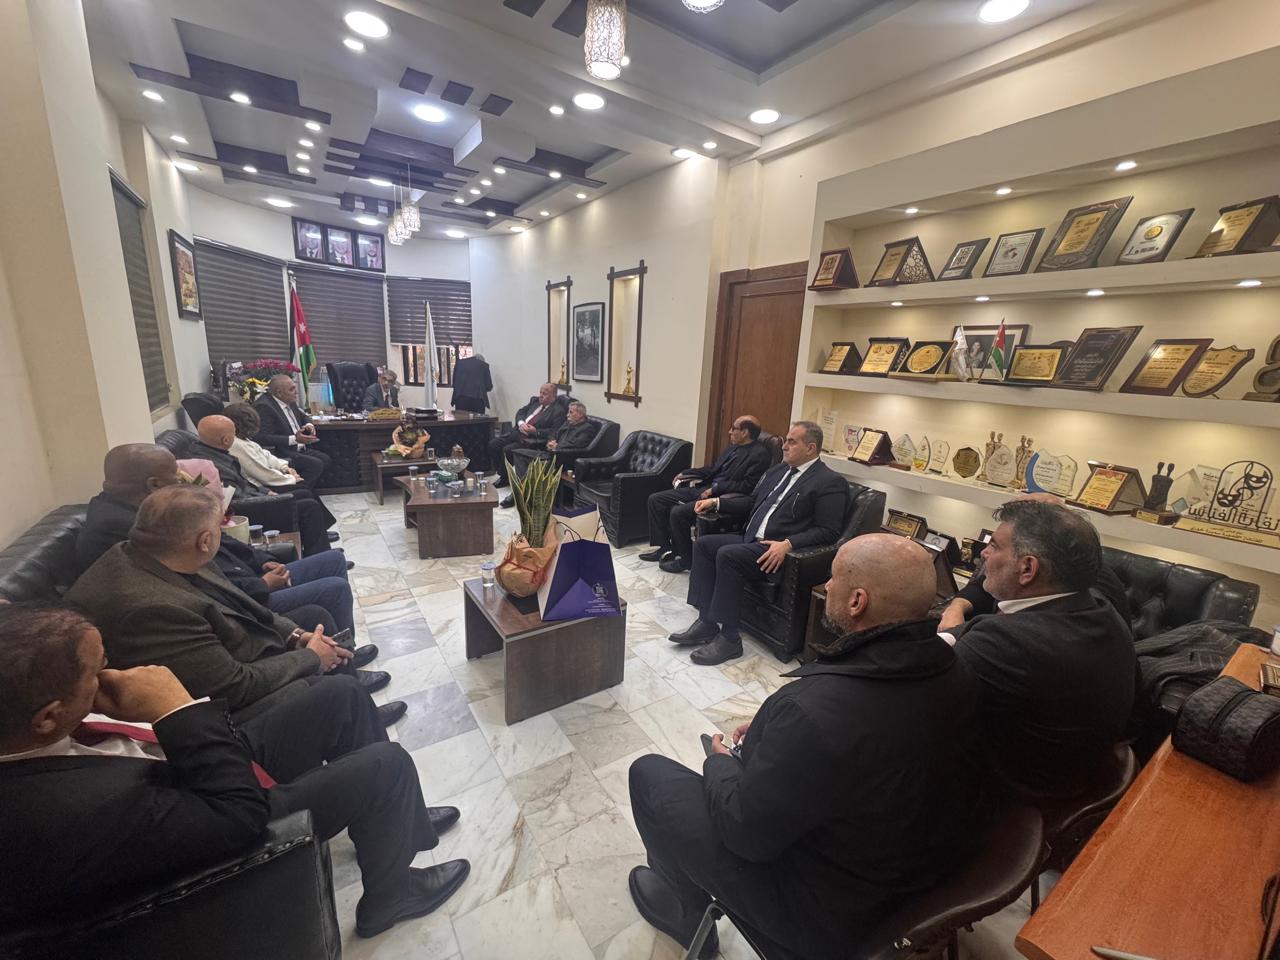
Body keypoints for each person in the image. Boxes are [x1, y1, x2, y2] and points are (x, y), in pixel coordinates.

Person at [0, 604, 469, 937]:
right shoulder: (64, 809)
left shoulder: (41, 734)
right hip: (225, 814)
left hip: (192, 771)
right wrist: (174, 710)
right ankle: (391, 897)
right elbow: (239, 818)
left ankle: (394, 826)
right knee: (387, 765)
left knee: (341, 696)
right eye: (96, 672)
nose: (112, 673)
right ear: (47, 716)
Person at [627, 535, 984, 959]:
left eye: (833, 578)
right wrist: (781, 732)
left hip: (830, 915)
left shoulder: (815, 711)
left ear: (857, 601)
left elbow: (744, 832)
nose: (827, 586)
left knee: (649, 775)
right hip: (915, 878)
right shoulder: (958, 671)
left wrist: (720, 763)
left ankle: (687, 918)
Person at [66, 486, 407, 724]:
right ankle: (353, 715)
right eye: (220, 528)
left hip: (228, 642)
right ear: (205, 540)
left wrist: (296, 635)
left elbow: (242, 604)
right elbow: (232, 686)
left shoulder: (161, 550)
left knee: (313, 617)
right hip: (219, 701)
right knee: (336, 689)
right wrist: (309, 657)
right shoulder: (150, 609)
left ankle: (358, 707)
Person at [76, 444, 369, 665]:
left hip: (244, 580)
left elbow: (221, 544)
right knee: (333, 589)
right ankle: (342, 659)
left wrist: (260, 561)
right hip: (237, 599)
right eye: (175, 475)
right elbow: (198, 583)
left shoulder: (146, 507)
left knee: (332, 560)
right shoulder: (123, 527)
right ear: (153, 484)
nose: (183, 479)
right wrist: (261, 584)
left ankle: (344, 650)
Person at [941, 499, 1136, 801]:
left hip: (1008, 796)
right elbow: (972, 632)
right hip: (1073, 776)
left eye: (994, 546)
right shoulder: (1098, 608)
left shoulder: (1008, 642)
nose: (983, 553)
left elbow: (920, 693)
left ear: (1027, 568)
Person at [671, 421, 849, 666]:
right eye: (786, 440)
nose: (784, 446)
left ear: (810, 448)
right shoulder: (778, 471)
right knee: (704, 545)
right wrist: (718, 502)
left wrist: (789, 543)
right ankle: (706, 622)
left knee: (727, 555)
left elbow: (828, 531)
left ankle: (730, 639)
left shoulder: (829, 481)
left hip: (776, 551)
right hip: (750, 539)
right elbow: (751, 502)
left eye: (791, 442)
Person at [640, 415, 771, 573]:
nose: (729, 431)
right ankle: (665, 548)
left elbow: (748, 486)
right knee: (656, 499)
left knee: (678, 513)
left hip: (722, 497)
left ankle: (686, 560)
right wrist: (687, 473)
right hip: (704, 489)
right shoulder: (732, 448)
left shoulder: (759, 455)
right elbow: (713, 469)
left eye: (734, 428)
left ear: (745, 432)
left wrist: (716, 490)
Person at [194, 414, 336, 557]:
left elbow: (243, 483)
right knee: (308, 506)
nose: (236, 436)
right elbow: (237, 495)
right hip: (245, 510)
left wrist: (265, 491)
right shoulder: (211, 464)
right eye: (234, 433)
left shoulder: (211, 451)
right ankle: (321, 556)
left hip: (252, 498)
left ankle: (318, 547)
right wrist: (265, 495)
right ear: (226, 440)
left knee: (304, 493)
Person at [500, 400, 596, 508]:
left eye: (571, 412)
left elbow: (577, 445)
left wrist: (557, 447)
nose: (567, 415)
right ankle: (526, 492)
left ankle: (516, 495)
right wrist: (551, 442)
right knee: (518, 453)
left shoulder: (587, 429)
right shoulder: (567, 423)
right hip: (549, 454)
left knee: (535, 466)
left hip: (562, 459)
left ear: (580, 414)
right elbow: (554, 434)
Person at [253, 374, 331, 486]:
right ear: (279, 393)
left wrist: (309, 424)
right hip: (281, 451)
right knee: (315, 464)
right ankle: (298, 490)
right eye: (292, 389)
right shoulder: (264, 406)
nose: (296, 392)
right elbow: (263, 437)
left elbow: (304, 416)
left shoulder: (288, 400)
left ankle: (306, 488)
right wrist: (295, 439)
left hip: (300, 448)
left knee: (325, 459)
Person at [488, 382, 569, 487]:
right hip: (517, 432)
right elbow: (521, 412)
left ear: (553, 396)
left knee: (507, 450)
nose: (541, 395)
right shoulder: (535, 401)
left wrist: (535, 431)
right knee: (493, 444)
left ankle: (504, 478)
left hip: (530, 440)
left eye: (544, 393)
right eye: (540, 392)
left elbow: (554, 432)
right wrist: (521, 423)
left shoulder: (558, 411)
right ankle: (502, 472)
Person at [222, 402, 309, 489]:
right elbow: (263, 474)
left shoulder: (243, 440)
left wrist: (284, 467)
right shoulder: (236, 444)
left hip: (271, 479)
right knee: (304, 488)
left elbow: (266, 455)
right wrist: (291, 478)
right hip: (261, 487)